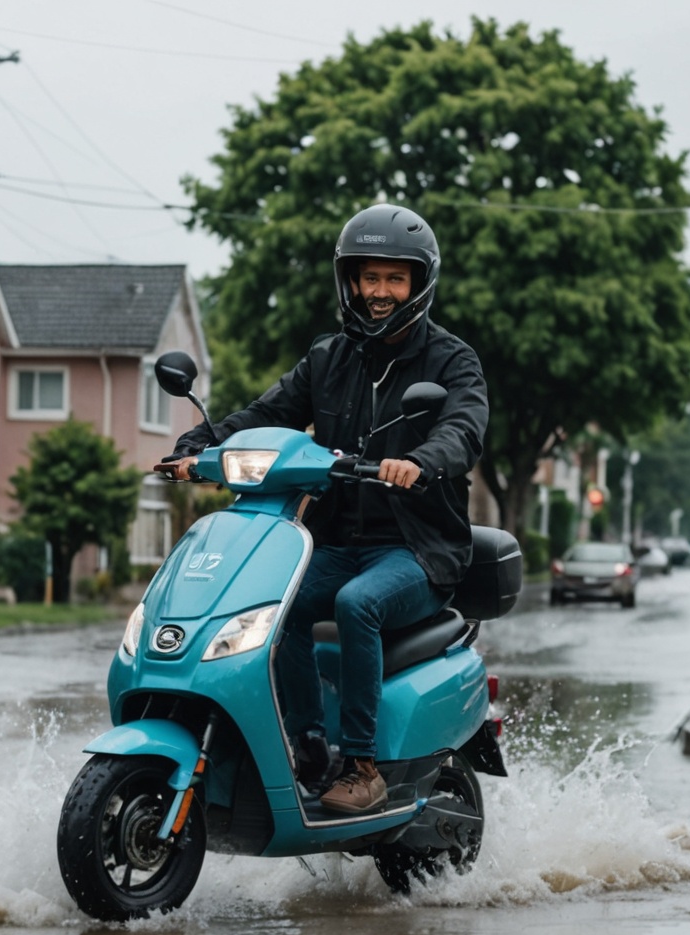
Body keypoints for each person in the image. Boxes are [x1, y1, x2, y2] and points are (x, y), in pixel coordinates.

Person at [155, 204, 487, 814]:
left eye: (394, 278)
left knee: (355, 605)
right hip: (334, 541)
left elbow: (463, 427)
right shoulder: (329, 358)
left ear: (418, 283)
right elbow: (265, 413)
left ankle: (363, 767)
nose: (379, 292)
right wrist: (199, 444)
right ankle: (306, 748)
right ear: (350, 280)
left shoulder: (452, 361)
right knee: (269, 610)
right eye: (369, 277)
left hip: (417, 549)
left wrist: (422, 460)